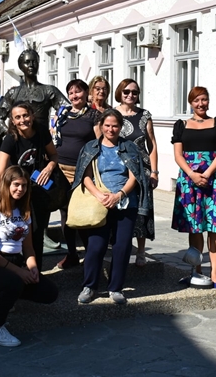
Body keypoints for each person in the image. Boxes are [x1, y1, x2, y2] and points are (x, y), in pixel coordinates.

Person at [0, 166, 59, 347]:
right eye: (16, 185)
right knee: (15, 282)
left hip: (14, 261)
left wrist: (32, 269)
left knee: (50, 292)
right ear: (7, 185)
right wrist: (20, 273)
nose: (20, 189)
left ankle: (4, 294)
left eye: (24, 186)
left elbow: (28, 249)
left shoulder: (25, 211)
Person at [72, 109, 147, 305]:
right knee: (96, 247)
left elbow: (134, 177)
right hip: (99, 203)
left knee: (122, 247)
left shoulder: (129, 147)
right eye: (107, 125)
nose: (111, 129)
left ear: (120, 127)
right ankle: (89, 286)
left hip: (125, 203)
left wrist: (119, 195)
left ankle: (116, 288)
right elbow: (85, 176)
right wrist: (99, 195)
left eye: (115, 125)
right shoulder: (91, 147)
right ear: (101, 126)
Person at [171, 86, 216, 288]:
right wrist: (192, 175)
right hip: (190, 180)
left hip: (213, 180)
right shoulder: (181, 125)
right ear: (190, 102)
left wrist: (206, 174)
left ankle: (214, 274)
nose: (201, 104)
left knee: (214, 227)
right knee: (194, 227)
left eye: (204, 99)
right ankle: (196, 270)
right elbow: (178, 155)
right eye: (196, 100)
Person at [0, 103, 62, 271]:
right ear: (12, 121)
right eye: (18, 117)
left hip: (38, 190)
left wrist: (49, 167)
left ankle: (37, 273)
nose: (23, 120)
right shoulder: (10, 139)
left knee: (37, 233)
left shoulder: (42, 132)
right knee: (16, 230)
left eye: (26, 115)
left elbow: (54, 155)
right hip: (17, 191)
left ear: (32, 116)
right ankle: (17, 270)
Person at [52, 79, 101, 269]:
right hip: (61, 170)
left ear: (86, 93)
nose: (74, 96)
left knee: (82, 213)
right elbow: (54, 134)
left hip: (82, 171)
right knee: (65, 214)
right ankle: (71, 253)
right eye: (71, 93)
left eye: (78, 92)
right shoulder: (63, 113)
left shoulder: (93, 115)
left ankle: (90, 255)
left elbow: (99, 141)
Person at [114, 78, 158, 267]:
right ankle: (123, 247)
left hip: (142, 169)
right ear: (120, 93)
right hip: (119, 168)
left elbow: (152, 144)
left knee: (143, 208)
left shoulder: (145, 115)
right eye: (127, 92)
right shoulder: (113, 114)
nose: (130, 95)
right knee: (122, 208)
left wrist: (155, 172)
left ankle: (141, 251)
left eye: (134, 92)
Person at [0, 48, 69, 140]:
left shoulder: (49, 90)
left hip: (42, 141)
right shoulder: (13, 93)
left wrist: (56, 128)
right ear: (21, 66)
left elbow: (68, 109)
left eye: (34, 62)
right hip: (20, 142)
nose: (31, 65)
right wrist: (10, 133)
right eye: (27, 62)